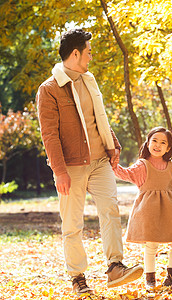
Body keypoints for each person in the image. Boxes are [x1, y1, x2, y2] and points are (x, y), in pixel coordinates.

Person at [36, 28, 143, 296]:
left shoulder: (89, 79)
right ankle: (78, 277)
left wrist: (113, 144)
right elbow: (49, 135)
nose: (91, 57)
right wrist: (59, 171)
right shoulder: (49, 89)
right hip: (70, 167)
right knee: (72, 224)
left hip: (99, 162)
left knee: (110, 210)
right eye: (89, 52)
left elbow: (100, 117)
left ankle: (115, 267)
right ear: (76, 53)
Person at [112, 127, 172, 290]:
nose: (158, 145)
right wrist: (113, 164)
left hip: (171, 210)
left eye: (163, 142)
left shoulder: (170, 165)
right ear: (147, 143)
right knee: (151, 244)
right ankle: (150, 278)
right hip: (149, 210)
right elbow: (126, 174)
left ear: (168, 148)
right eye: (154, 141)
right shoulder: (143, 165)